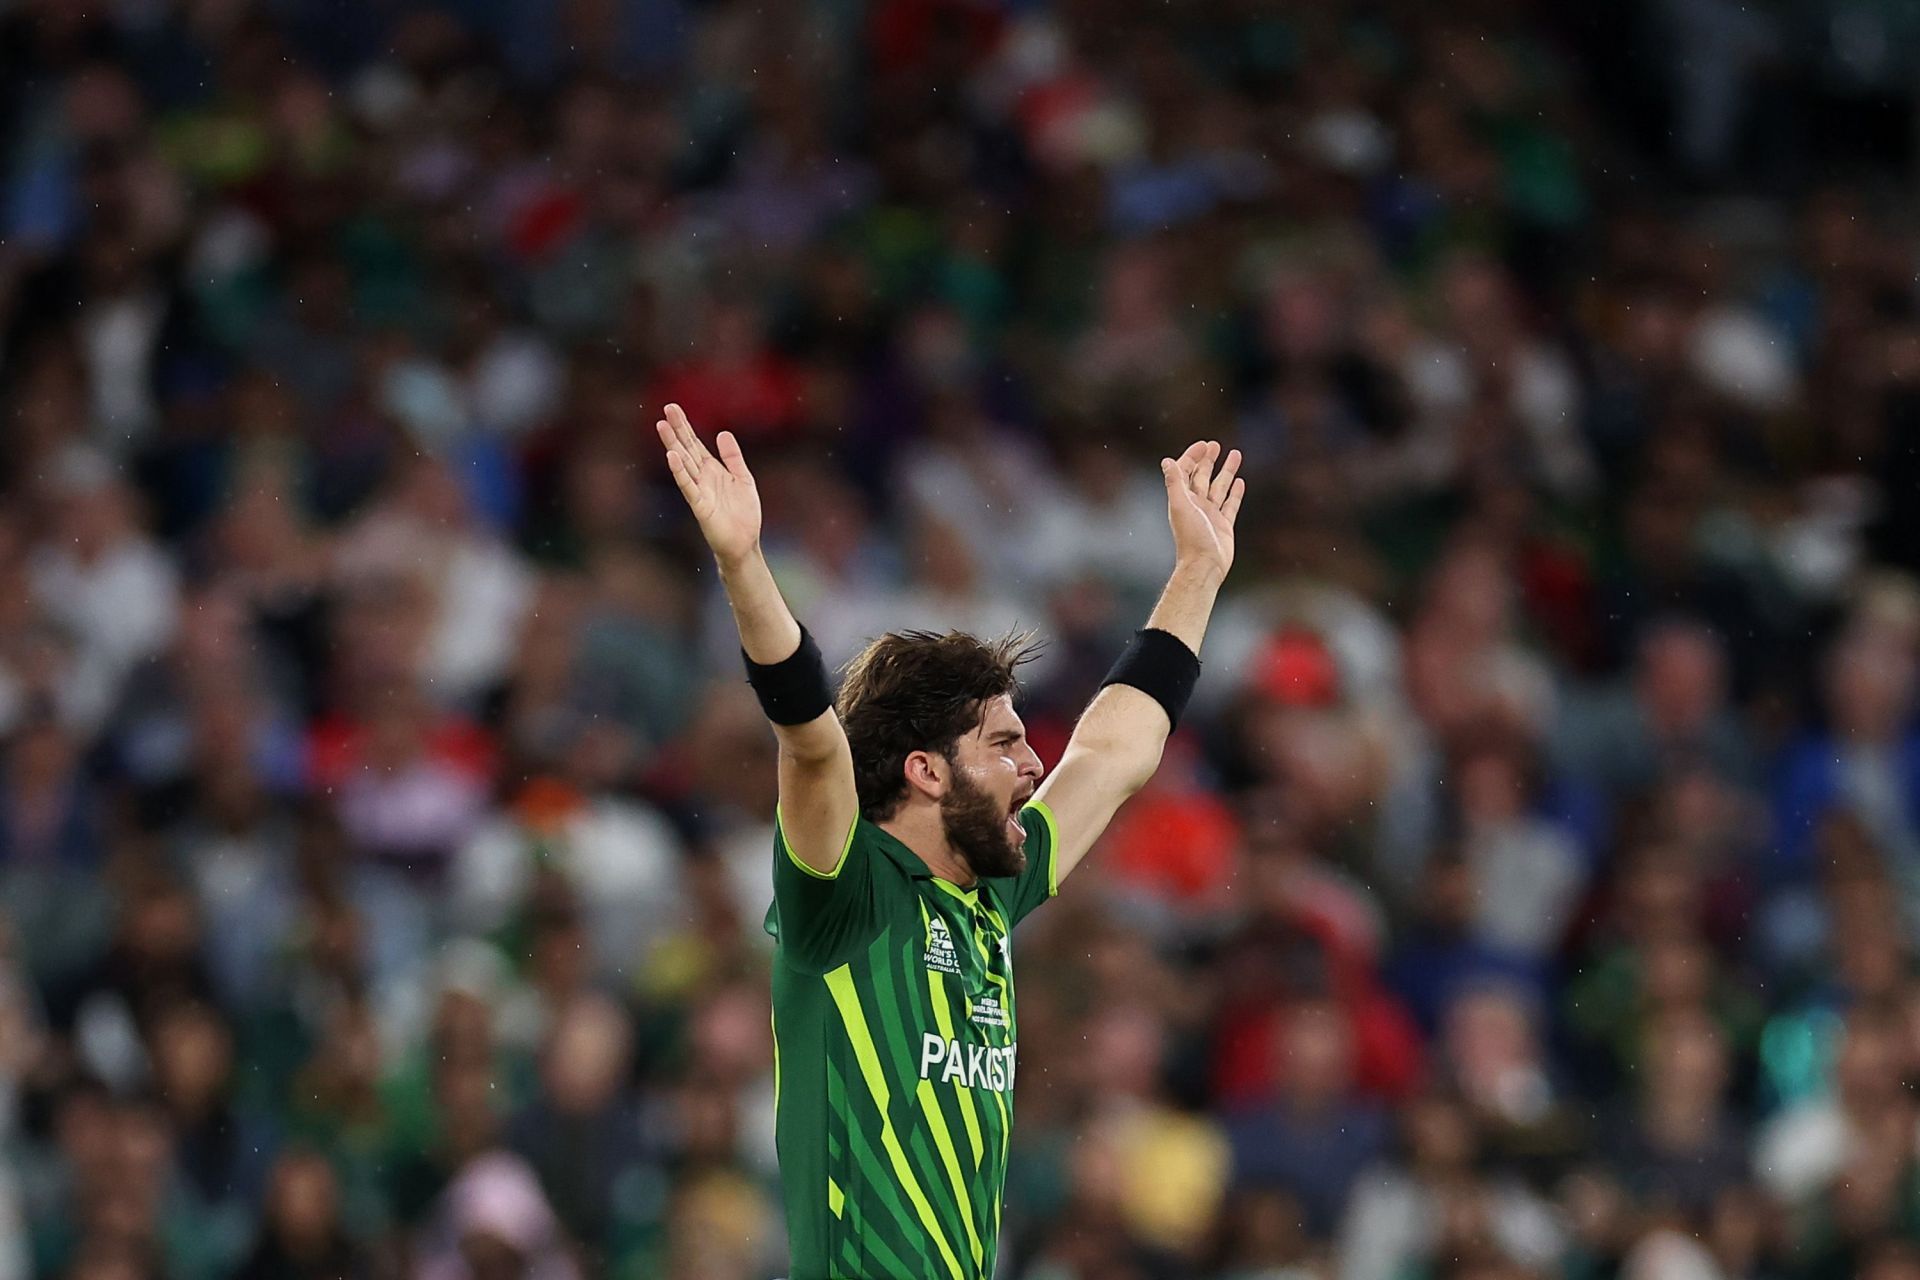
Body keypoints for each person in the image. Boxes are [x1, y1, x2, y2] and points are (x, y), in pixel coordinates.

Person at [655, 403, 1245, 1279]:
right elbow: (813, 740)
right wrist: (745, 563)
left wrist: (1197, 570)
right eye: (1004, 744)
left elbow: (1115, 753)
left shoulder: (991, 891)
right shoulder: (845, 895)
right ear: (928, 771)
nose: (1035, 765)